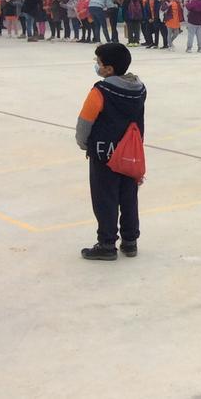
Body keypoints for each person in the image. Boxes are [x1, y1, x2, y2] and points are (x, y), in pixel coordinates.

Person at [75, 42, 146, 261]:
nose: (97, 66)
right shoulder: (139, 89)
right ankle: (130, 240)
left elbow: (85, 121)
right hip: (130, 152)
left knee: (105, 197)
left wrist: (83, 142)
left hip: (104, 153)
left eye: (99, 63)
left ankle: (106, 243)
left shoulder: (101, 90)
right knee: (128, 196)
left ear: (109, 69)